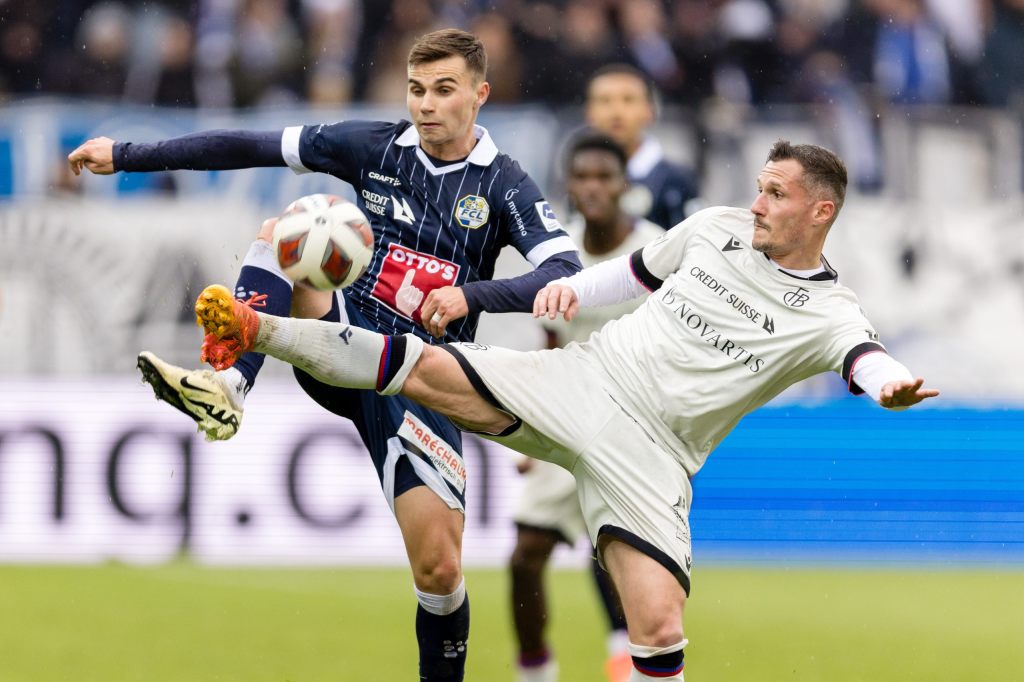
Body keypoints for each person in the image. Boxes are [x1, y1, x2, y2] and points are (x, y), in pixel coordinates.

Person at [183, 140, 939, 681]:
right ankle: (261, 330)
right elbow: (635, 276)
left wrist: (891, 386)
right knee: (422, 366)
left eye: (776, 193)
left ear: (821, 210)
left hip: (655, 458)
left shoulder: (831, 310)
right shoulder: (716, 230)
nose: (757, 201)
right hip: (586, 378)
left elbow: (864, 357)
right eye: (760, 186)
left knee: (659, 628)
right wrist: (574, 289)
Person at [68, 28, 581, 682]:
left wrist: (470, 296)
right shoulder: (373, 145)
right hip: (343, 339)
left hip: (425, 380)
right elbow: (251, 144)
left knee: (441, 572)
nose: (426, 104)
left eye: (444, 90)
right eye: (416, 89)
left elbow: (562, 267)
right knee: (287, 228)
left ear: (479, 96)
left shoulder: (504, 185)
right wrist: (130, 155)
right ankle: (228, 384)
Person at [509, 133, 664, 682]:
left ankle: (628, 658)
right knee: (525, 557)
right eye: (583, 177)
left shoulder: (657, 250)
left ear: (625, 185)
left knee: (622, 558)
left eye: (605, 176)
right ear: (569, 187)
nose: (593, 187)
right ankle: (536, 671)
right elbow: (550, 344)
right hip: (565, 420)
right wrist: (530, 435)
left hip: (630, 429)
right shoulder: (560, 253)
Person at [584, 63, 701, 230]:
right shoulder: (579, 176)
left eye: (628, 100)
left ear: (650, 111)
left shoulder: (678, 179)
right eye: (604, 101)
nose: (616, 112)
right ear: (589, 113)